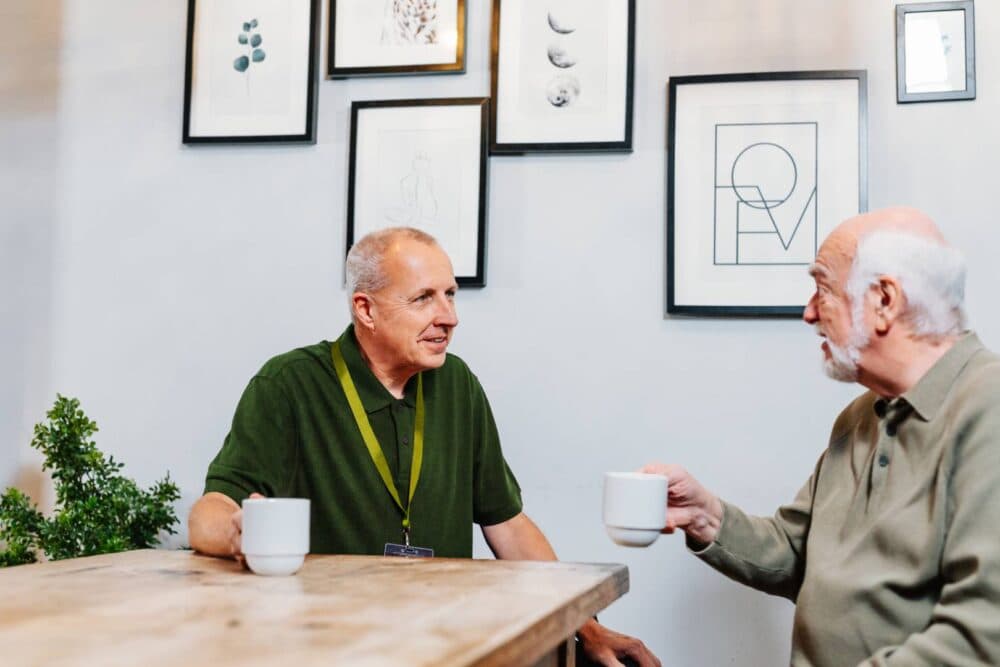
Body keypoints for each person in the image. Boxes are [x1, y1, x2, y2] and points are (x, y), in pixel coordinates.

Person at [189, 227, 659, 667]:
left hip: (450, 643)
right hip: (332, 646)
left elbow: (508, 524)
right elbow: (211, 511)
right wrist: (235, 534)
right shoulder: (288, 385)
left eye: (450, 295)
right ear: (365, 309)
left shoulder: (458, 384)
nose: (449, 318)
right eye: (423, 299)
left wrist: (585, 625)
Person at [643, 206, 1000, 666]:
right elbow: (797, 552)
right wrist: (703, 517)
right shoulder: (860, 415)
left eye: (822, 288)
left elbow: (981, 632)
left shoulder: (987, 410)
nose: (809, 312)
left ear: (885, 301)